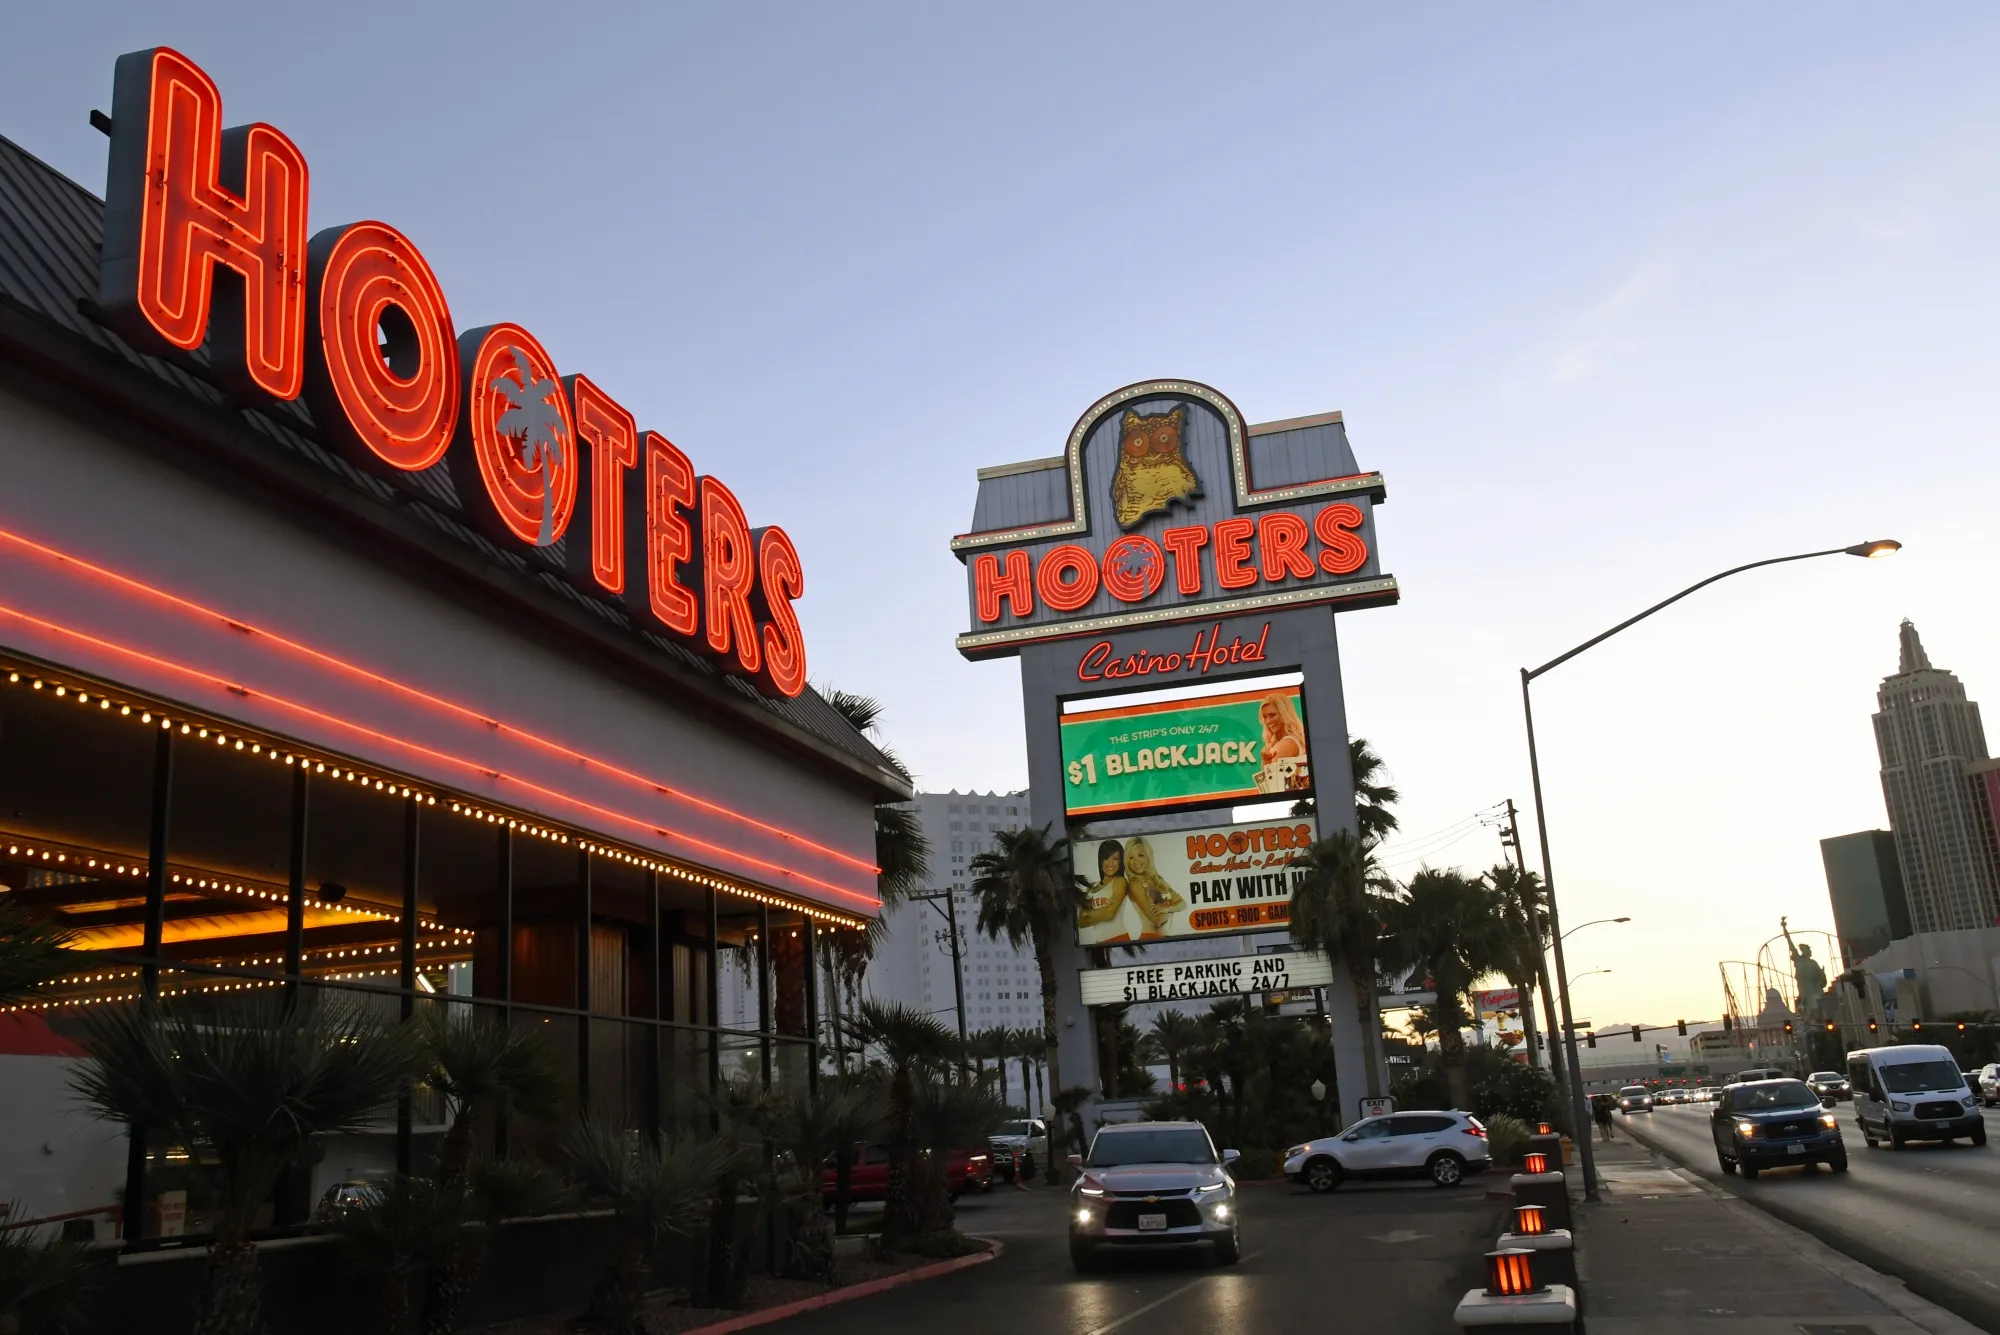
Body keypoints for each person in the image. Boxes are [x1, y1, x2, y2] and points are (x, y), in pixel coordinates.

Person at [1121, 837, 1185, 939]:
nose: (1135, 861)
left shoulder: (1157, 879)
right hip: (1149, 938)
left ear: (1148, 856)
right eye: (1131, 857)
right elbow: (1156, 920)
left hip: (1166, 937)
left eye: (1140, 855)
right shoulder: (1135, 884)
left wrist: (1165, 909)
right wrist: (1173, 906)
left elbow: (1183, 903)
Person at [1077, 841, 1131, 941]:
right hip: (1099, 942)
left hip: (1119, 939)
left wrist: (1088, 912)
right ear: (1100, 860)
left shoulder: (1120, 881)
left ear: (1120, 861)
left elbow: (1110, 914)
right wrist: (1103, 912)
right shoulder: (1091, 886)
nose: (1110, 863)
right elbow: (1081, 922)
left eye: (1115, 858)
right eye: (1106, 858)